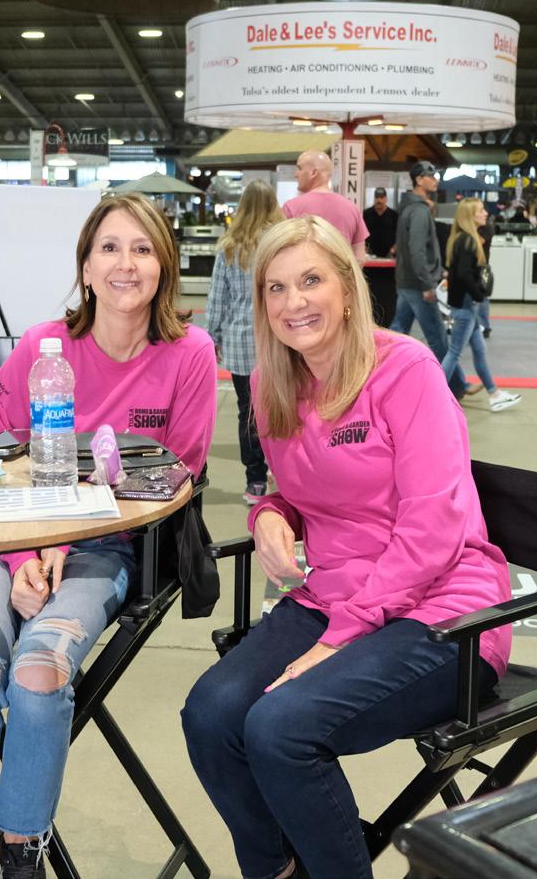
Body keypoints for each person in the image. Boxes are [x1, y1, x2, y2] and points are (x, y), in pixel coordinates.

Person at [182, 215, 511, 879]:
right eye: (276, 288)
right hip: (333, 598)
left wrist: (337, 640)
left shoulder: (405, 370)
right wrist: (270, 514)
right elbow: (306, 490)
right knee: (211, 714)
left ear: (348, 289)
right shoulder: (276, 385)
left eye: (310, 280)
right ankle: (276, 870)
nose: (293, 302)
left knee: (280, 728)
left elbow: (432, 528)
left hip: (445, 614)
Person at [0, 193, 217, 879]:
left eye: (143, 248)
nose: (126, 263)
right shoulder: (41, 349)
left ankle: (21, 849)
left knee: (38, 671)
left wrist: (62, 543)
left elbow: (175, 475)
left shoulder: (189, 354)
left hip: (106, 545)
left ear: (164, 266)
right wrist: (22, 556)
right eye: (110, 248)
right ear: (86, 267)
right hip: (3, 534)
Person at [206, 180, 283, 505]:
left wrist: (213, 336)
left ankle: (255, 482)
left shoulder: (230, 246)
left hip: (240, 343)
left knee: (247, 413)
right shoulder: (281, 243)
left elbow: (217, 299)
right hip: (278, 339)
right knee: (283, 409)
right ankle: (285, 473)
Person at [390, 161, 469, 398]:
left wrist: (437, 270)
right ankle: (455, 386)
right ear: (418, 180)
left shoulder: (409, 207)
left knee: (396, 334)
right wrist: (426, 283)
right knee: (437, 337)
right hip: (418, 284)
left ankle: (380, 378)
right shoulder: (419, 210)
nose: (436, 180)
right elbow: (417, 250)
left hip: (407, 281)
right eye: (430, 176)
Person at [442, 199, 521, 413]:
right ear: (470, 216)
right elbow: (464, 274)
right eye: (480, 211)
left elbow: (460, 273)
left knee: (479, 350)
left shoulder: (462, 239)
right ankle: (433, 394)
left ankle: (494, 394)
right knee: (454, 352)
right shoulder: (468, 241)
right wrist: (479, 295)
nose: (485, 213)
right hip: (466, 305)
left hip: (466, 304)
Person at [282, 151, 367, 263]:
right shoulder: (352, 209)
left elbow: (282, 255)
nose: (296, 174)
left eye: (299, 168)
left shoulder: (291, 207)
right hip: (341, 274)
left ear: (313, 172)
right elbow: (360, 258)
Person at [362, 186, 397, 257]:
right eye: (377, 197)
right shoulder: (366, 214)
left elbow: (400, 235)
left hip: (389, 255)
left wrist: (393, 249)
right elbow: (361, 233)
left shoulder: (394, 215)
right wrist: (364, 247)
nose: (379, 200)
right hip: (369, 255)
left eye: (381, 197)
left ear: (386, 199)